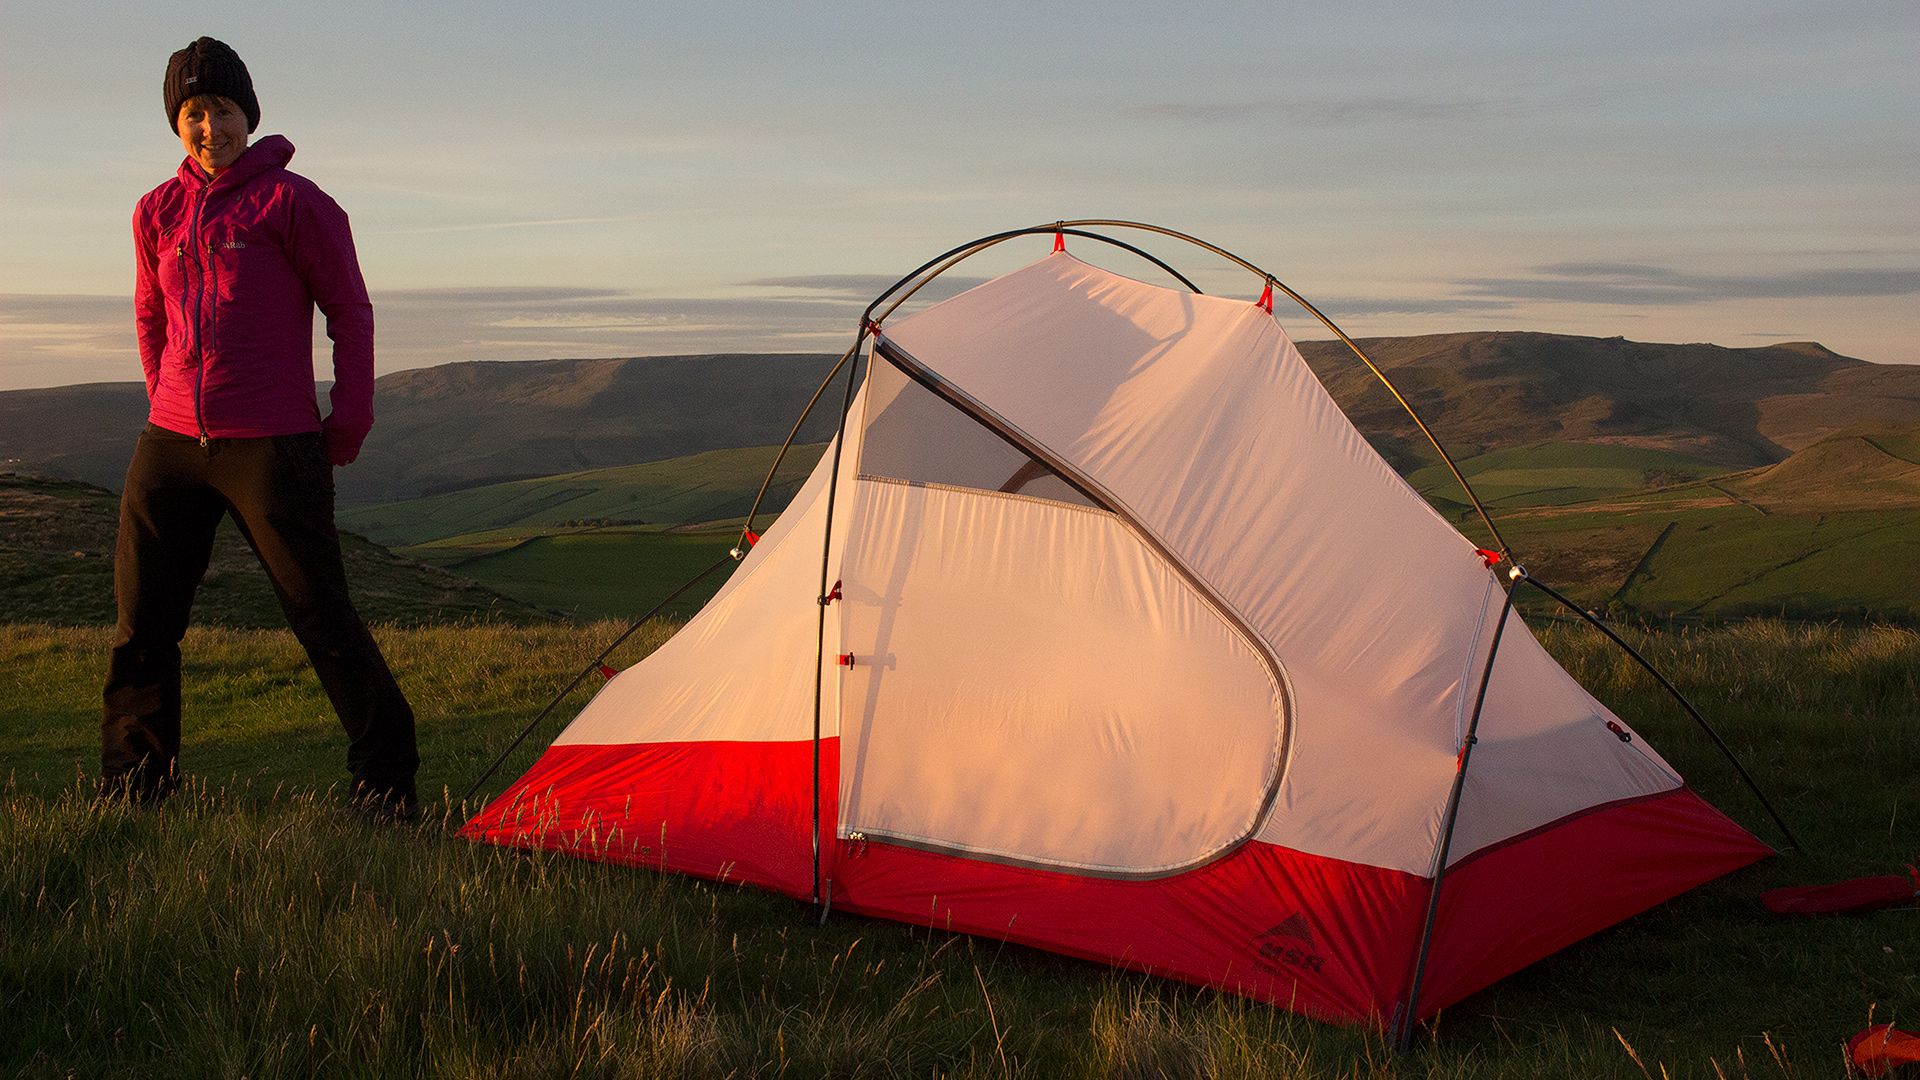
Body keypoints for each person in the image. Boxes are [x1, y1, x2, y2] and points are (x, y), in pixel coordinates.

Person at [101, 37, 419, 820]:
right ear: (178, 122)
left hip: (272, 444)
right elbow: (151, 316)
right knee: (143, 623)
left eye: (224, 109)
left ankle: (385, 782)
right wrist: (164, 398)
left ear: (251, 113)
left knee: (320, 615)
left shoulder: (296, 203)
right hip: (172, 445)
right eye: (194, 112)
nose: (211, 126)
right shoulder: (155, 211)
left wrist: (345, 423)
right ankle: (136, 792)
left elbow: (350, 312)